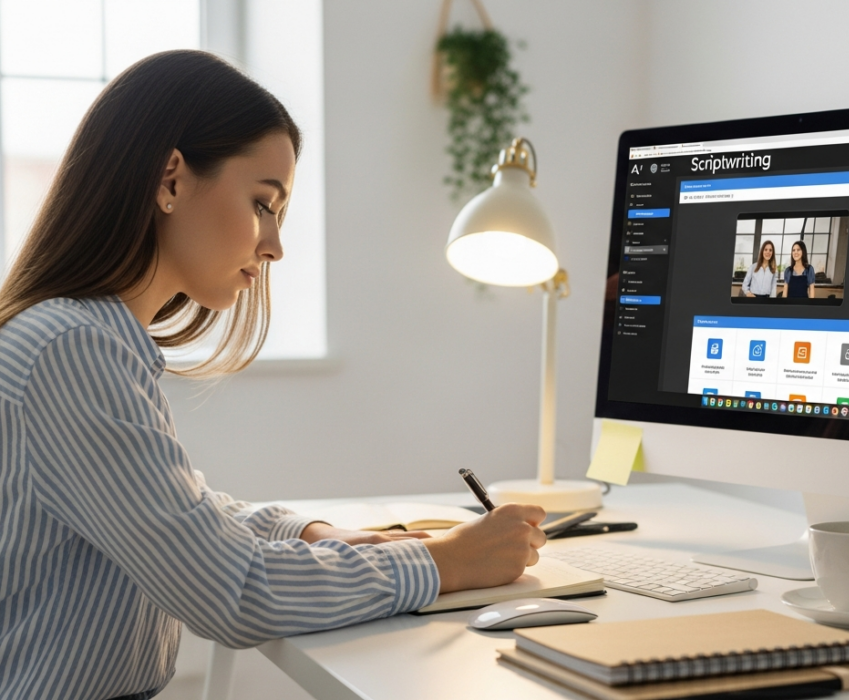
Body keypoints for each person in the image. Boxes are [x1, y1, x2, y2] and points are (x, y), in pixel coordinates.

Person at [0, 51, 546, 700]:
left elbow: (176, 509)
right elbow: (231, 591)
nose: (275, 245)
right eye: (264, 204)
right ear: (170, 179)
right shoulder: (74, 349)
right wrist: (443, 562)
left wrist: (308, 530)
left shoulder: (81, 338)